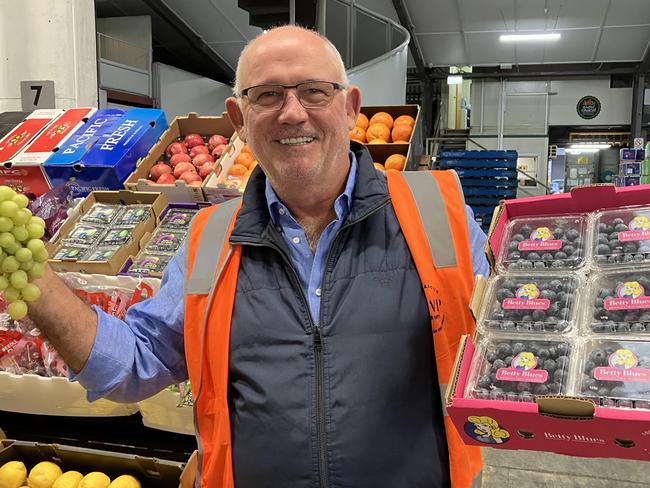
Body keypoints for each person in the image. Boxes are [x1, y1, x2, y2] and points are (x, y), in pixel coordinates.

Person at [30, 25, 487, 488]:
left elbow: (510, 348)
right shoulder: (209, 241)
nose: (292, 114)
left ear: (350, 108)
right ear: (239, 119)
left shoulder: (437, 214)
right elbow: (134, 365)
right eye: (267, 95)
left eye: (314, 91)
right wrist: (31, 277)